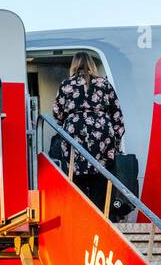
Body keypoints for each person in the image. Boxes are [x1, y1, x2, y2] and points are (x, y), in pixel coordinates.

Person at [51, 53, 125, 211]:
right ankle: (102, 215)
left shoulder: (66, 85)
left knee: (76, 178)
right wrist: (114, 142)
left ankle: (80, 213)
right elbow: (117, 117)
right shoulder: (104, 84)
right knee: (102, 179)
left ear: (74, 65)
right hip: (102, 132)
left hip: (74, 133)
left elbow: (57, 113)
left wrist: (68, 124)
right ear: (92, 65)